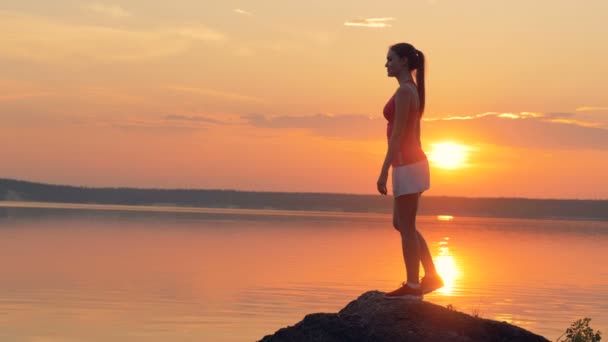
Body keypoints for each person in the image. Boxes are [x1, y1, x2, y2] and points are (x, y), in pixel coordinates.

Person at [377, 42, 444, 300]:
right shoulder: (410, 91)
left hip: (407, 164)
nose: (386, 64)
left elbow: (398, 135)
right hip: (411, 164)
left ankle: (413, 286)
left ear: (404, 61)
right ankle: (431, 275)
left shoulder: (406, 92)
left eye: (390, 58)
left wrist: (384, 171)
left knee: (405, 226)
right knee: (402, 223)